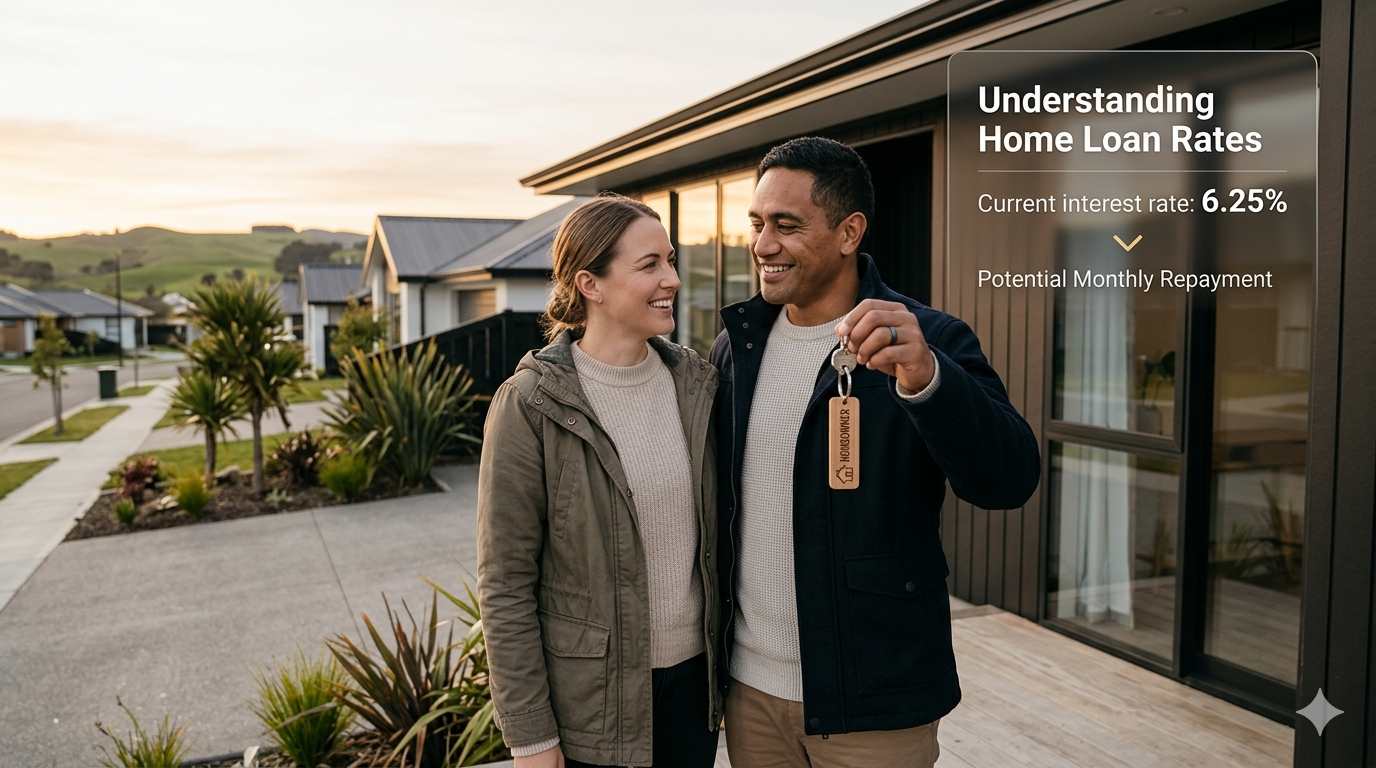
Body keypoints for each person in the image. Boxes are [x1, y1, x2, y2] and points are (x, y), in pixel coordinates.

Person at [711, 137, 1041, 768]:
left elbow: (1008, 479)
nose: (763, 246)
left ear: (849, 231)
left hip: (875, 704)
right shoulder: (737, 346)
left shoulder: (925, 339)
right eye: (756, 224)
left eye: (786, 225)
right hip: (750, 696)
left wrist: (929, 380)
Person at [477, 195, 722, 768]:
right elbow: (506, 584)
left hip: (691, 699)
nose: (673, 279)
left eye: (671, 260)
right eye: (650, 266)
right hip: (591, 713)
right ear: (590, 283)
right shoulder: (531, 405)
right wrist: (531, 737)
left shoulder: (697, 386)